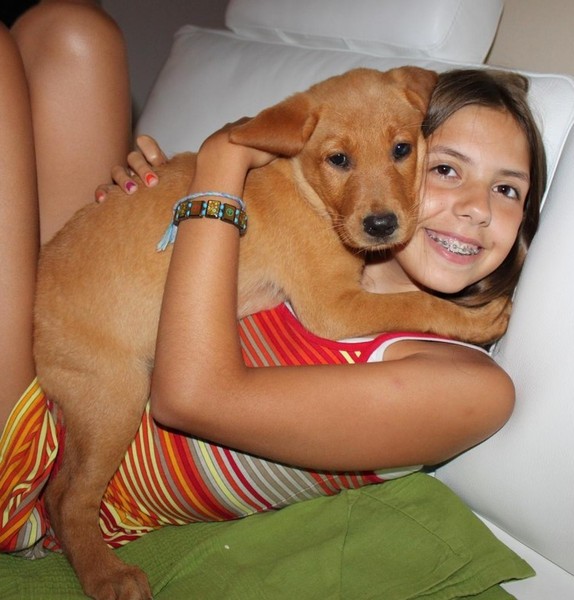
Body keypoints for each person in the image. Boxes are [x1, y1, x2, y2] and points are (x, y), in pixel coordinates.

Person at [0, 0, 546, 571]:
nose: (473, 208)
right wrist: (148, 206)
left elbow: (191, 395)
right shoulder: (311, 219)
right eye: (446, 169)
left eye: (507, 190)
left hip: (36, 452)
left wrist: (219, 166)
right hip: (72, 321)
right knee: (72, 30)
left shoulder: (469, 386)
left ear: (529, 219)